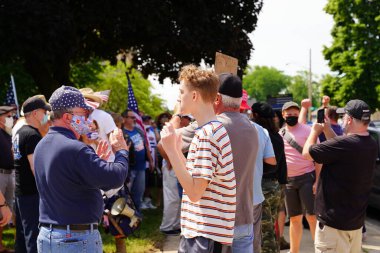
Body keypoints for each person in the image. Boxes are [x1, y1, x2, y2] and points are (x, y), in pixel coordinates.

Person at [34, 86, 130, 253]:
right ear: (66, 116)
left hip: (49, 236)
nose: (88, 118)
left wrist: (95, 162)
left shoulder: (42, 145)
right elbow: (115, 178)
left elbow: (71, 183)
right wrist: (121, 151)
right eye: (84, 114)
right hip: (74, 239)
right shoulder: (76, 149)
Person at [160, 66, 237, 252]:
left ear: (194, 96)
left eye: (182, 91)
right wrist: (177, 150)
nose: (179, 97)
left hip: (205, 234)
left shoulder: (207, 135)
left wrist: (171, 151)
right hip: (204, 232)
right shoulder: (209, 130)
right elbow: (196, 180)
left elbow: (194, 192)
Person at [302, 99, 377, 253]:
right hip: (355, 224)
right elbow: (341, 149)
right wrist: (328, 130)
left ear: (349, 119)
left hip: (333, 226)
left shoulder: (344, 144)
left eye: (344, 117)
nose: (342, 119)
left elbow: (307, 153)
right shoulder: (371, 142)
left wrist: (314, 131)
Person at [280, 101, 320, 253]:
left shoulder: (309, 131)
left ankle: (319, 249)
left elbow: (319, 159)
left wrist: (317, 180)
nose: (291, 116)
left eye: (295, 114)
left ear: (298, 115)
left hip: (307, 178)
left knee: (312, 216)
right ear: (283, 115)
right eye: (289, 114)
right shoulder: (281, 133)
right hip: (289, 182)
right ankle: (294, 251)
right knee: (295, 219)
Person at [12, 96, 51, 253]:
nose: (47, 115)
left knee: (22, 235)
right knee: (34, 236)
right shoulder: (32, 135)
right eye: (44, 111)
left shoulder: (19, 132)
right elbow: (36, 168)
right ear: (35, 113)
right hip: (32, 193)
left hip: (21, 191)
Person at [252, 102, 287, 253]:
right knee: (270, 226)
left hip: (264, 187)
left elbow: (270, 165)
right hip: (275, 187)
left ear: (256, 116)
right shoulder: (276, 136)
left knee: (266, 233)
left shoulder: (261, 136)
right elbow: (282, 165)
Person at [122, 109, 154, 211]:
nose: (134, 119)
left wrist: (151, 160)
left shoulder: (138, 130)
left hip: (141, 166)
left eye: (134, 117)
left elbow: (146, 146)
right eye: (131, 117)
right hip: (129, 168)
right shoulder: (121, 132)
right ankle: (126, 217)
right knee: (127, 193)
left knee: (139, 192)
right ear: (124, 119)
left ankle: (137, 215)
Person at [0, 105, 16, 253]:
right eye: (8, 116)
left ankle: (2, 245)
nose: (11, 118)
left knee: (6, 212)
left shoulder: (7, 133)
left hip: (9, 173)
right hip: (0, 174)